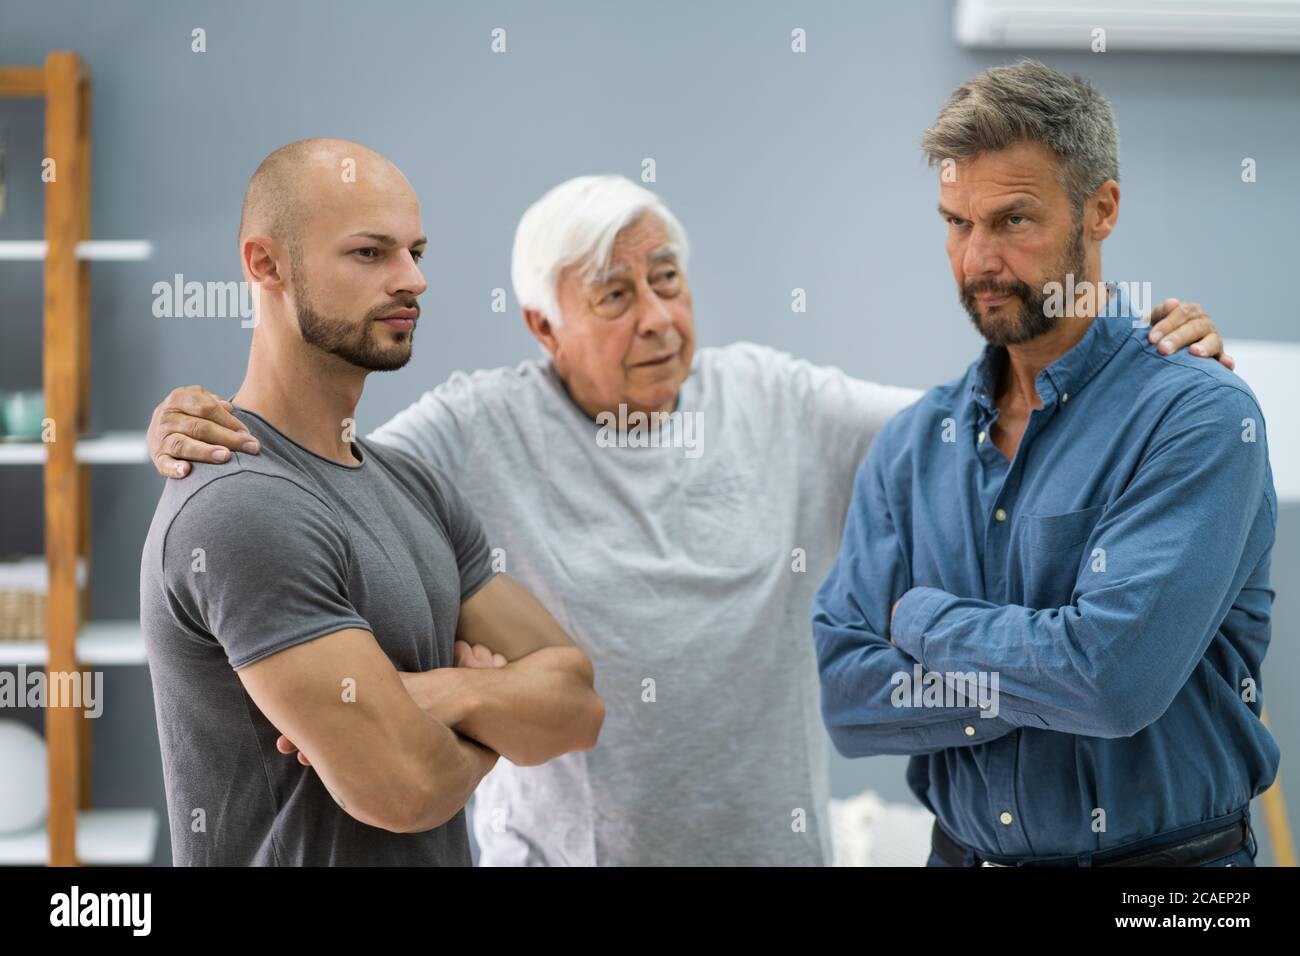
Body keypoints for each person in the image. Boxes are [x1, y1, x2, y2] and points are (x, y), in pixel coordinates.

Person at [144, 166, 1228, 865]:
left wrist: (1136, 365)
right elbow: (312, 464)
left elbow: (984, 420)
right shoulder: (465, 434)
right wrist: (187, 420)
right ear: (541, 323)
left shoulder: (777, 399)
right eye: (614, 293)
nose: (659, 315)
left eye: (668, 279)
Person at [813, 60, 1277, 868]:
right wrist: (1048, 678)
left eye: (1013, 221)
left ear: (1101, 210)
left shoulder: (1197, 416)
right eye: (957, 223)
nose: (978, 261)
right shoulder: (913, 443)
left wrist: (916, 622)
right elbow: (849, 702)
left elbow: (1111, 683)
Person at [140, 139, 603, 866]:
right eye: (369, 253)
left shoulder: (414, 485)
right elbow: (406, 788)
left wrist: (439, 696)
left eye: (416, 252)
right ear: (265, 264)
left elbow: (578, 705)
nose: (412, 279)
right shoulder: (240, 507)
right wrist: (495, 713)